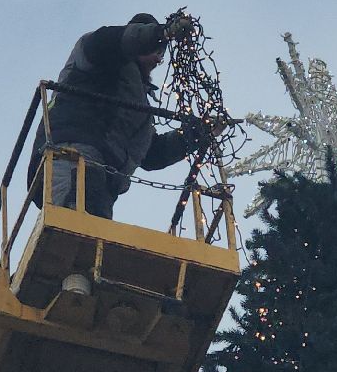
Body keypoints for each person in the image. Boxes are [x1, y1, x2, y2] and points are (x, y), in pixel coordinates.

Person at [33, 11, 208, 221]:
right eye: (156, 50)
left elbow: (151, 153)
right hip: (70, 159)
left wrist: (200, 132)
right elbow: (110, 40)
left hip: (102, 179)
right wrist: (160, 33)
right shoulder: (102, 52)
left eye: (161, 55)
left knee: (92, 231)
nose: (158, 58)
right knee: (78, 227)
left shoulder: (137, 103)